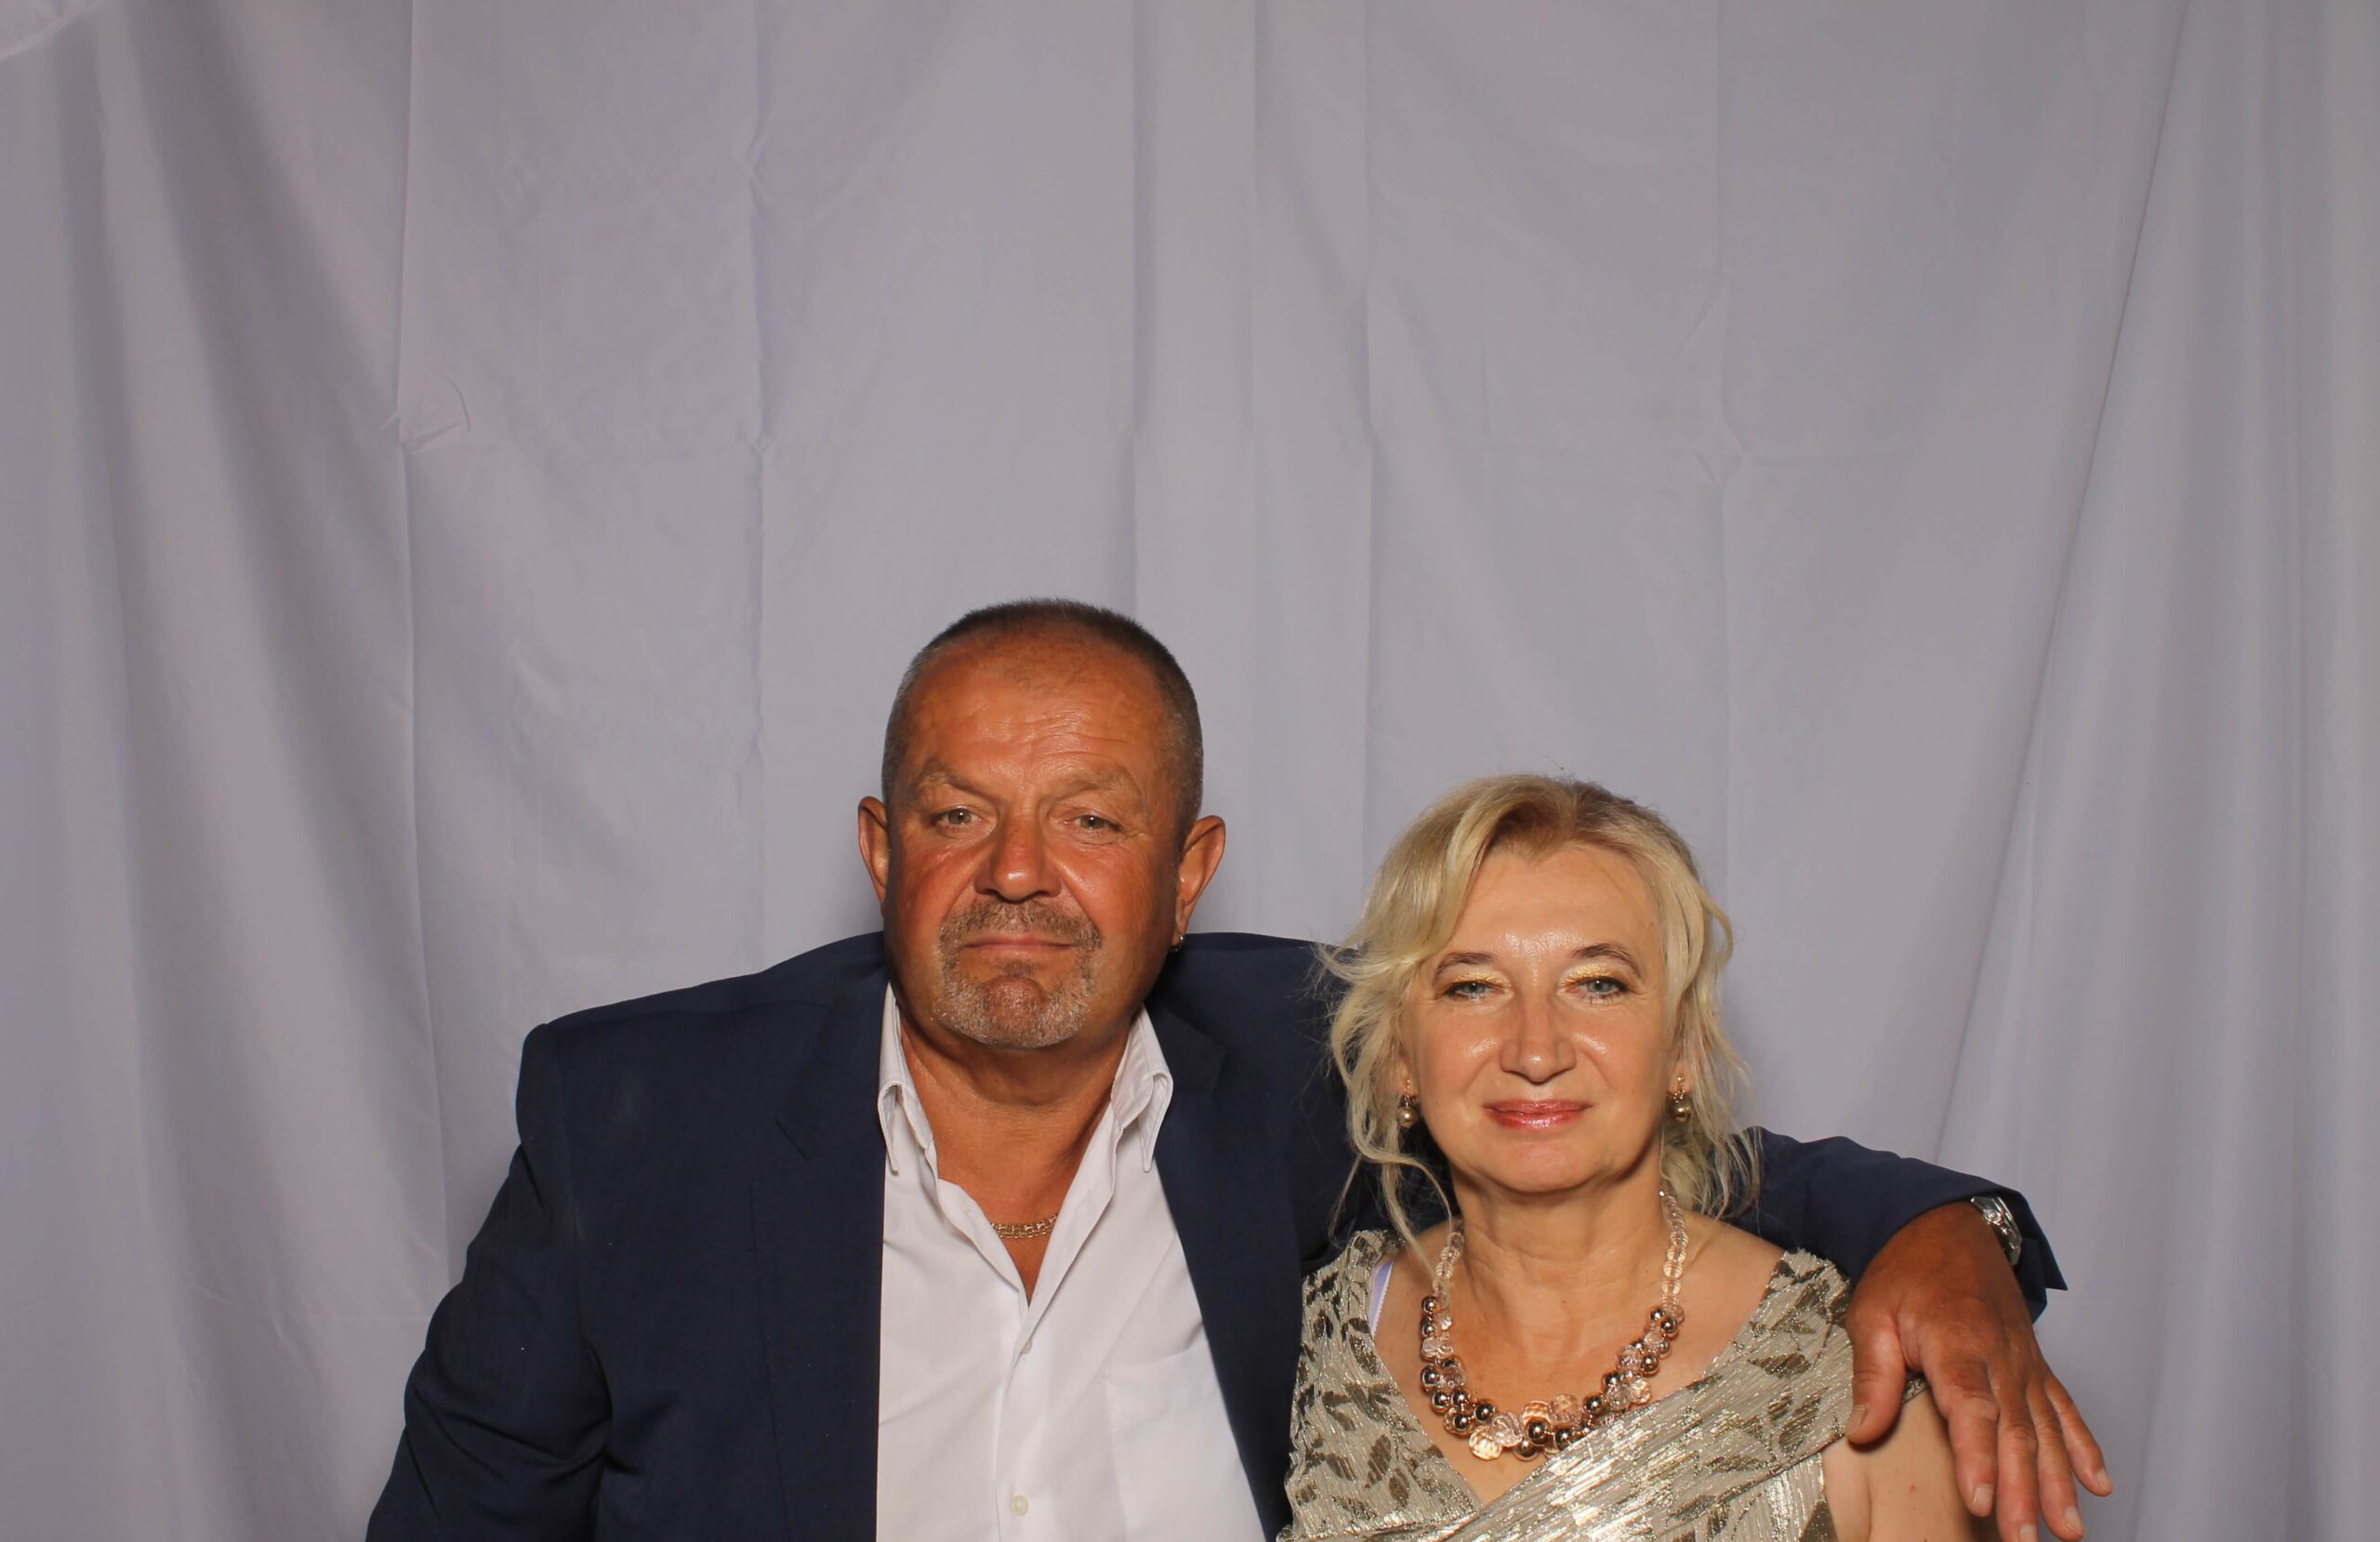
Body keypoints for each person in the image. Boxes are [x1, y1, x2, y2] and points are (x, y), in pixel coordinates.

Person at [369, 599, 2106, 1541]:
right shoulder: (637, 1126)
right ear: (882, 848)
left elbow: (1610, 1126)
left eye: (1092, 818)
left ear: (1189, 870)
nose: (1021, 872)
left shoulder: (1299, 1060)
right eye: (961, 814)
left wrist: (1945, 1228)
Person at [1283, 775, 2055, 1540]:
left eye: (1597, 983)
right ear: (1400, 1058)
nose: (1536, 1050)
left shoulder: (1855, 1377)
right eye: (1474, 986)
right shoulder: (1315, 1341)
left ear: (1683, 1047)